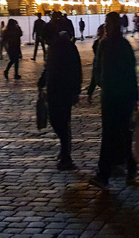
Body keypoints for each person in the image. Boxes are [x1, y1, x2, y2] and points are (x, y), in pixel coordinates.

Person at [91, 12, 139, 186]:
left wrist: (101, 83)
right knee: (124, 134)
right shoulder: (124, 45)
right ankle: (130, 169)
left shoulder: (105, 45)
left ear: (115, 25)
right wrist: (134, 96)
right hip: (122, 96)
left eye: (108, 23)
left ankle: (103, 175)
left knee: (110, 136)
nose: (105, 26)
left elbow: (97, 69)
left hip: (112, 97)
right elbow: (131, 71)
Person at [39, 22, 84, 170]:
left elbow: (76, 69)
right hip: (54, 91)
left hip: (64, 91)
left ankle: (66, 156)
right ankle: (65, 152)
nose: (45, 43)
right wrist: (42, 82)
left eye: (46, 39)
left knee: (62, 123)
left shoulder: (67, 47)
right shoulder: (53, 48)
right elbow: (49, 67)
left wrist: (75, 91)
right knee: (56, 122)